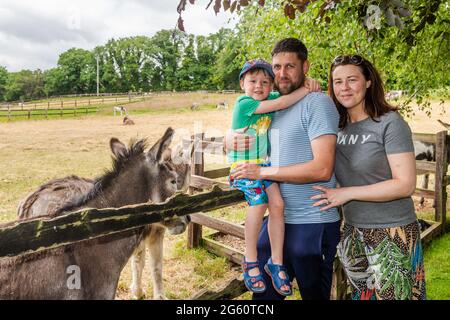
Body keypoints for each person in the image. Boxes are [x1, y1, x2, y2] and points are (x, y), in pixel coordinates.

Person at [229, 38, 341, 300]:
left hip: (312, 221)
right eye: (276, 66)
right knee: (264, 298)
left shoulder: (317, 103)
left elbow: (323, 169)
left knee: (314, 295)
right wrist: (227, 139)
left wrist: (263, 173)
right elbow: (248, 132)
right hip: (278, 220)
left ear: (305, 66)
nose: (281, 73)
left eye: (290, 66)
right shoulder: (272, 104)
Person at [310, 54, 426, 300]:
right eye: (338, 81)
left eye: (352, 80)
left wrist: (346, 193)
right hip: (352, 232)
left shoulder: (389, 123)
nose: (345, 88)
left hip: (392, 232)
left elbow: (405, 184)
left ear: (368, 82)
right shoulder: (335, 125)